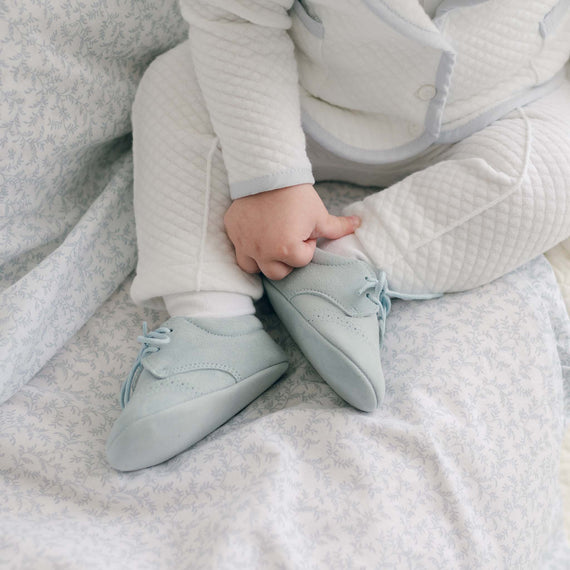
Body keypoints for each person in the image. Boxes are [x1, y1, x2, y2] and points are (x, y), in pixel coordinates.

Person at [106, 0, 570, 471]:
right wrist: (271, 179)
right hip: (304, 101)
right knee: (176, 82)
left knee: (556, 169)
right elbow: (234, 15)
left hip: (496, 110)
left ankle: (344, 265)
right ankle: (210, 319)